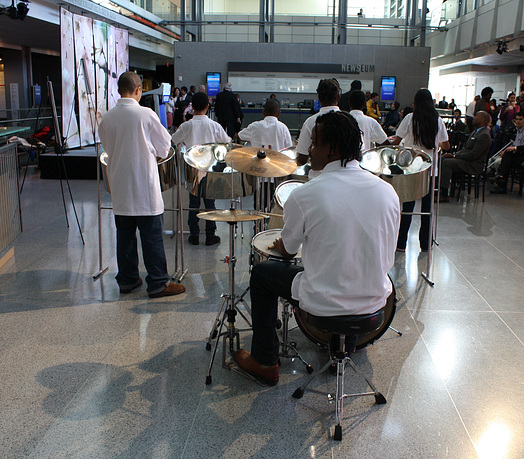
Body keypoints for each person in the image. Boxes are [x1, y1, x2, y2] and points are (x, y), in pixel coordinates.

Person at [232, 111, 400, 385]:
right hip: (374, 304)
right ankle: (342, 349)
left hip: (324, 303)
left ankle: (265, 361)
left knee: (263, 273)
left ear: (331, 148)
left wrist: (282, 244)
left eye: (313, 143)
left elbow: (287, 251)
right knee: (352, 268)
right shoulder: (387, 191)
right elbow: (385, 252)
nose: (308, 150)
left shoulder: (306, 193)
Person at [98, 71, 185, 298]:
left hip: (120, 186)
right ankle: (157, 282)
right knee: (151, 236)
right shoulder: (146, 114)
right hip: (143, 185)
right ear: (139, 90)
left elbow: (108, 149)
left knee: (124, 236)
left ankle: (127, 280)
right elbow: (165, 147)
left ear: (119, 90)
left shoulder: (106, 118)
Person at [391, 88, 450, 252]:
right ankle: (425, 244)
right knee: (427, 209)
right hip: (430, 171)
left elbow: (397, 140)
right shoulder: (437, 120)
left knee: (407, 208)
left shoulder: (410, 118)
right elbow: (446, 144)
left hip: (411, 169)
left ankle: (401, 243)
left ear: (415, 103)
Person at [172, 92, 231, 246]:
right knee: (210, 202)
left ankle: (194, 235)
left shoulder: (187, 125)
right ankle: (210, 234)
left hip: (192, 168)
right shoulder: (214, 125)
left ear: (192, 107)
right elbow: (227, 142)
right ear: (207, 106)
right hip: (210, 168)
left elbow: (173, 140)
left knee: (194, 203)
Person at [440, 111, 492, 201]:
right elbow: (466, 148)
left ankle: (444, 194)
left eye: (476, 116)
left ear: (483, 119)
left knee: (447, 163)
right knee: (442, 158)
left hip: (474, 164)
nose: (474, 117)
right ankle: (438, 187)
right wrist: (454, 155)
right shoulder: (476, 132)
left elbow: (473, 155)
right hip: (467, 160)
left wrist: (455, 156)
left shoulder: (484, 135)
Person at [296, 78, 341, 166]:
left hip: (318, 176)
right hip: (345, 177)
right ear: (338, 97)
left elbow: (302, 158)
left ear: (319, 97)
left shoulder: (310, 122)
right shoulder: (350, 121)